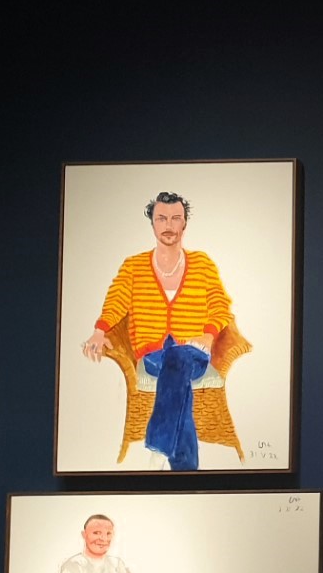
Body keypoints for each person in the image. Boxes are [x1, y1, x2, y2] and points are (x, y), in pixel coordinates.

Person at [78, 191, 236, 471]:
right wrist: (100, 330)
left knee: (179, 357)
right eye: (162, 218)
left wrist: (208, 335)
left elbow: (220, 306)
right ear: (152, 222)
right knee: (176, 370)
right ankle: (185, 469)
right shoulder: (133, 266)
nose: (169, 225)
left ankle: (159, 447)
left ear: (184, 223)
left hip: (195, 353)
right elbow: (116, 301)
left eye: (176, 218)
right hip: (153, 354)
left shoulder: (202, 263)